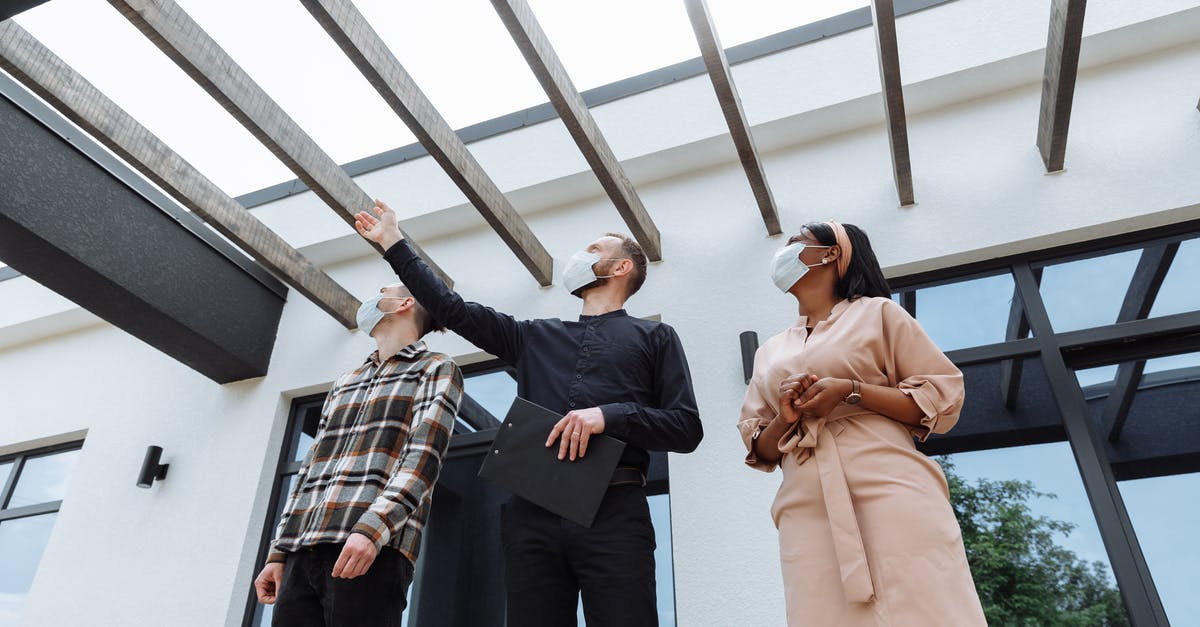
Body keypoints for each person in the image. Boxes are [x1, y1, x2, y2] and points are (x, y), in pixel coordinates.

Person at [354, 199, 703, 627]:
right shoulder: (533, 337)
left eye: (594, 249)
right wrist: (393, 242)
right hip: (532, 513)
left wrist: (610, 415)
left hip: (616, 512)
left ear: (620, 268)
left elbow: (686, 428)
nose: (580, 256)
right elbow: (450, 308)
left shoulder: (656, 337)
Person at [738, 221, 986, 625]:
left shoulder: (879, 314)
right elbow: (761, 450)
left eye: (797, 243)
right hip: (804, 503)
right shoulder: (769, 351)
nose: (784, 252)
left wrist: (852, 391)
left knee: (925, 606)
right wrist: (786, 418)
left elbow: (940, 399)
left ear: (831, 253)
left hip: (890, 485)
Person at [253, 282, 463, 627]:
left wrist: (370, 530)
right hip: (302, 551)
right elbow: (308, 471)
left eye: (384, 289)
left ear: (404, 303)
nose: (375, 294)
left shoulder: (436, 368)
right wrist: (279, 552)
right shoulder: (345, 381)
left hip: (372, 549)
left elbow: (422, 460)